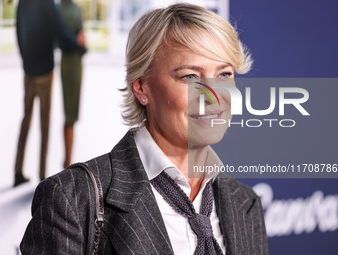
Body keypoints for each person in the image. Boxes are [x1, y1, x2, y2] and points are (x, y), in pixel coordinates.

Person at [20, 3, 268, 254]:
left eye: (224, 74)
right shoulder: (70, 199)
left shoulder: (245, 203)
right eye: (190, 76)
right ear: (141, 88)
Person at [14, 0, 85, 186]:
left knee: (26, 120)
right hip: (45, 71)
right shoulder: (47, 3)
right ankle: (42, 175)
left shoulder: (22, 3)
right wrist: (77, 44)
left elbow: (18, 31)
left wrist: (25, 61)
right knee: (44, 124)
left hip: (28, 71)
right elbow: (58, 31)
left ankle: (18, 171)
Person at [58, 0, 86, 168]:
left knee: (69, 113)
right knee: (71, 115)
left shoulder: (57, 9)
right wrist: (79, 43)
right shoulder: (76, 10)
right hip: (74, 62)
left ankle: (67, 159)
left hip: (66, 61)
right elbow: (81, 39)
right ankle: (68, 160)